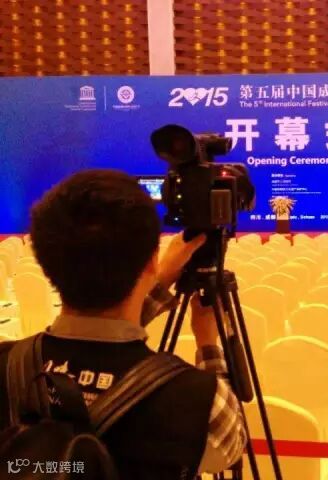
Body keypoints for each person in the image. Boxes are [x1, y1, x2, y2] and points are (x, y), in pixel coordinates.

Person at [0, 170, 246, 478]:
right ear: (151, 260)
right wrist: (208, 344)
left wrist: (155, 281)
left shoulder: (8, 367)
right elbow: (232, 446)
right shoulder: (197, 399)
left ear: (44, 261)